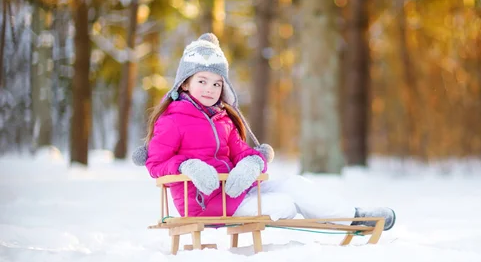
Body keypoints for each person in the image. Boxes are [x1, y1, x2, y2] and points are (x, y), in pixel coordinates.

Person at [132, 33, 395, 230]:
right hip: (204, 206)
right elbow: (156, 163)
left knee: (295, 184)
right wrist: (188, 166)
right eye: (201, 81)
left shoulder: (225, 119)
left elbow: (243, 152)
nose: (209, 89)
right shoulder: (172, 120)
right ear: (186, 83)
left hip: (236, 194)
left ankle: (354, 216)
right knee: (284, 204)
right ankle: (346, 219)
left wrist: (251, 164)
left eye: (216, 83)